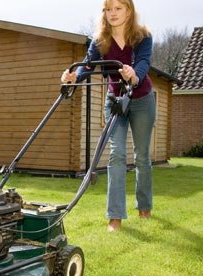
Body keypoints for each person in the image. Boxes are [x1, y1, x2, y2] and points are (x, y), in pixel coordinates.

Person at [61, 0, 155, 232]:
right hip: (115, 101)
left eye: (118, 8)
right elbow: (87, 65)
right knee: (117, 154)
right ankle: (115, 217)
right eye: (108, 9)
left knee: (142, 156)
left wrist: (134, 74)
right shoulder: (100, 41)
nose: (112, 13)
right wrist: (75, 76)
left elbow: (143, 62)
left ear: (129, 10)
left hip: (142, 99)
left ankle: (144, 207)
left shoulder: (143, 36)